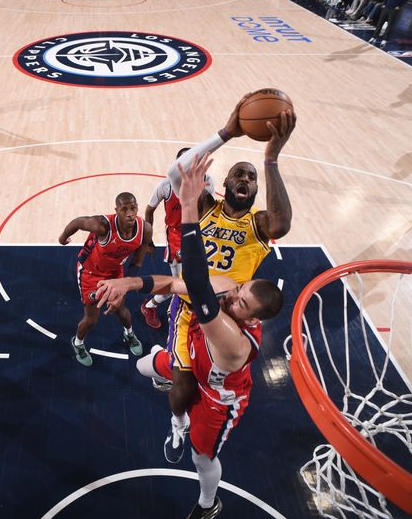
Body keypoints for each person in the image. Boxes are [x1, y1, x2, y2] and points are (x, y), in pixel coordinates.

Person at [95, 155, 284, 518]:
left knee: (199, 445)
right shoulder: (226, 287)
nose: (234, 294)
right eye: (238, 174)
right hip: (198, 308)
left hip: (217, 388)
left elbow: (195, 286)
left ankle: (206, 499)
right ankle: (167, 377)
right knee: (145, 366)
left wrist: (257, 153)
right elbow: (190, 284)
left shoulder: (231, 331)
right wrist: (132, 282)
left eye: (240, 301)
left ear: (252, 316)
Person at [156, 96, 295, 464]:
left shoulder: (260, 224)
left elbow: (283, 223)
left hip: (229, 317)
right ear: (226, 182)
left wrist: (270, 160)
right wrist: (226, 133)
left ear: (254, 189)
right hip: (189, 309)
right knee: (183, 386)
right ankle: (177, 421)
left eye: (251, 177)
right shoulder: (205, 206)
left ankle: (200, 409)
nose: (245, 180)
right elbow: (175, 175)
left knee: (218, 386)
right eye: (240, 174)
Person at [58, 192, 153, 366]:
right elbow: (78, 222)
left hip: (115, 273)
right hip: (90, 273)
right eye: (124, 210)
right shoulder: (103, 226)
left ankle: (129, 333)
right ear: (116, 211)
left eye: (133, 208)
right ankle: (77, 343)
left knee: (121, 310)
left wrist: (124, 286)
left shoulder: (145, 230)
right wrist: (63, 237)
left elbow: (137, 262)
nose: (130, 213)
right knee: (92, 318)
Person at [139, 147, 215, 331]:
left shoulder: (208, 181)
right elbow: (149, 210)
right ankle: (150, 306)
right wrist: (148, 241)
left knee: (202, 278)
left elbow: (210, 208)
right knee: (180, 282)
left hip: (198, 231)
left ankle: (186, 307)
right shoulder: (165, 186)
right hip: (175, 236)